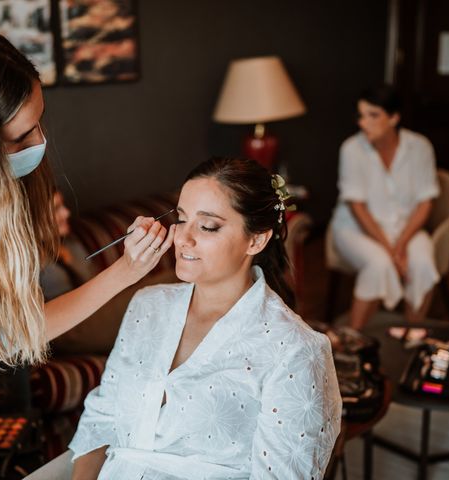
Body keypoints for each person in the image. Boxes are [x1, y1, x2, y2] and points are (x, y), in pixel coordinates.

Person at [0, 29, 175, 480]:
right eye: (21, 137)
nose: (39, 144)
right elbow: (9, 335)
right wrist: (126, 270)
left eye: (40, 121)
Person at [68, 157, 342, 480]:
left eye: (208, 226)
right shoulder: (146, 307)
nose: (183, 239)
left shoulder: (295, 351)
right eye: (181, 219)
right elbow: (100, 422)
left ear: (256, 240)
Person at [331, 85, 440, 330]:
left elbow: (426, 202)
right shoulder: (351, 149)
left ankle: (413, 333)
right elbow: (357, 207)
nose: (363, 123)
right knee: (379, 263)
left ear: (394, 117)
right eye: (361, 115)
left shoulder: (420, 147)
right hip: (355, 228)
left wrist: (401, 244)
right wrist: (392, 252)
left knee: (422, 262)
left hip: (405, 227)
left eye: (373, 115)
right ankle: (352, 340)